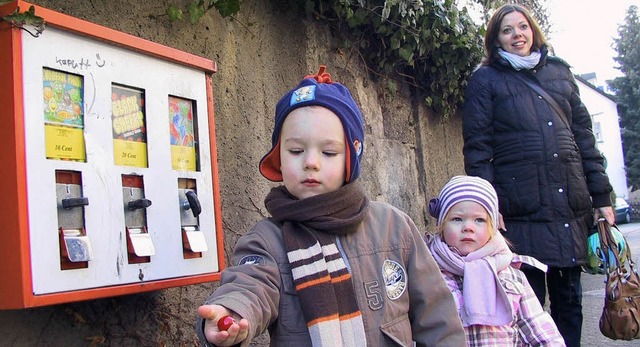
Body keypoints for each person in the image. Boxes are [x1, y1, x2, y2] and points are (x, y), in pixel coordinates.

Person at [196, 65, 466, 346]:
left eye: (328, 152)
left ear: (350, 157)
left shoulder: (394, 226)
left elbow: (437, 317)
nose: (311, 162)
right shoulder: (266, 240)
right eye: (296, 151)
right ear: (278, 158)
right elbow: (251, 284)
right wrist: (232, 311)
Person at [461, 4, 615, 347]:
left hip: (569, 207)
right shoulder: (485, 80)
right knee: (526, 306)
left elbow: (584, 139)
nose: (518, 34)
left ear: (534, 31)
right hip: (520, 211)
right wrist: (489, 204)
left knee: (570, 303)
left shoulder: (560, 74)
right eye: (507, 30)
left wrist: (601, 197)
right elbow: (478, 147)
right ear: (496, 40)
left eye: (523, 27)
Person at [426, 175, 565, 346]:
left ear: (492, 227)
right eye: (457, 219)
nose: (468, 227)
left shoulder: (512, 276)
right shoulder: (428, 275)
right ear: (441, 225)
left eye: (479, 220)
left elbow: (540, 329)